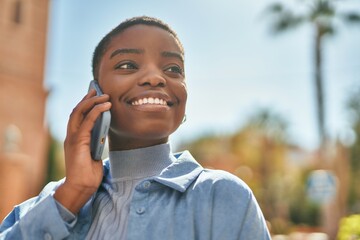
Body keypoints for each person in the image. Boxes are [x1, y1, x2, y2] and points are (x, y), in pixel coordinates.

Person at [0, 16, 271, 239]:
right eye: (128, 64)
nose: (155, 77)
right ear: (95, 93)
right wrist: (74, 193)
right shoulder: (51, 202)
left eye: (173, 69)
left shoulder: (222, 196)